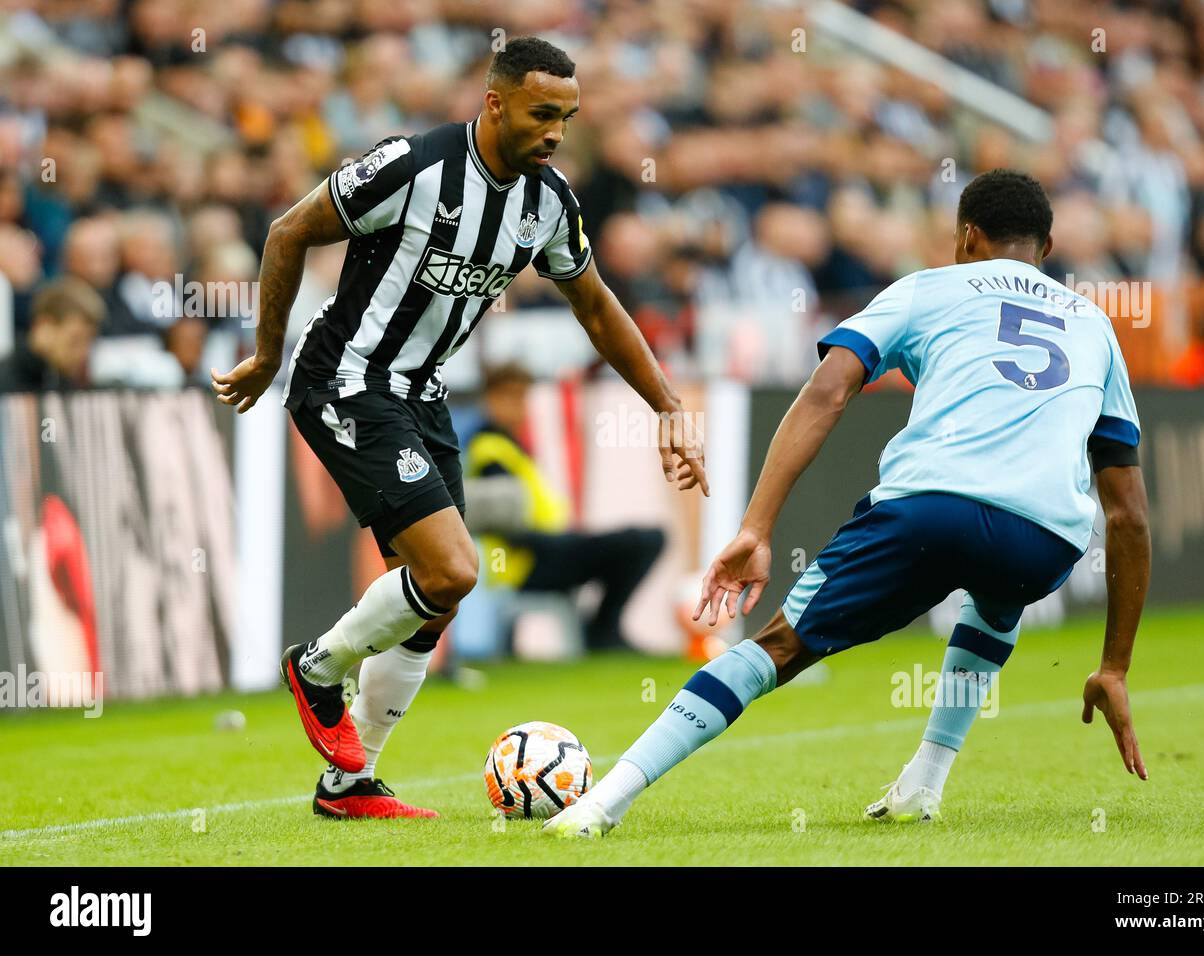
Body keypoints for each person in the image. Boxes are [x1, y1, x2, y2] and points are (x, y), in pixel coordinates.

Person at [546, 169, 1151, 838]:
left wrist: (757, 526)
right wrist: (1114, 666)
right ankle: (923, 784)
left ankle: (601, 803)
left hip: (930, 506)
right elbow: (1128, 513)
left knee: (776, 647)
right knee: (998, 595)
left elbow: (829, 391)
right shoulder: (1095, 325)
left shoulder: (928, 286)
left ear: (966, 237)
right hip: (1046, 541)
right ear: (1048, 244)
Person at [210, 37, 707, 820]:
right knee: (450, 572)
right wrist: (268, 353)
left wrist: (670, 406)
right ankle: (317, 667)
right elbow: (286, 232)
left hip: (422, 394)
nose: (555, 132)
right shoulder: (411, 165)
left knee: (435, 600)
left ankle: (350, 785)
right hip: (346, 379)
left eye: (568, 119)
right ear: (496, 102)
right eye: (543, 114)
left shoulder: (548, 202)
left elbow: (598, 308)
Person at [464, 363, 666, 651]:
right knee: (642, 541)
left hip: (542, 554)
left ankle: (603, 629)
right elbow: (507, 527)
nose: (520, 406)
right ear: (490, 399)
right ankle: (604, 630)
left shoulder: (508, 445)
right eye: (511, 397)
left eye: (523, 397)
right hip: (529, 563)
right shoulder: (490, 450)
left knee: (637, 541)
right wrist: (564, 543)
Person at [0, 277, 105, 393]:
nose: (84, 353)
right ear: (44, 326)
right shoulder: (5, 380)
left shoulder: (65, 380)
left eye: (89, 342)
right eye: (75, 340)